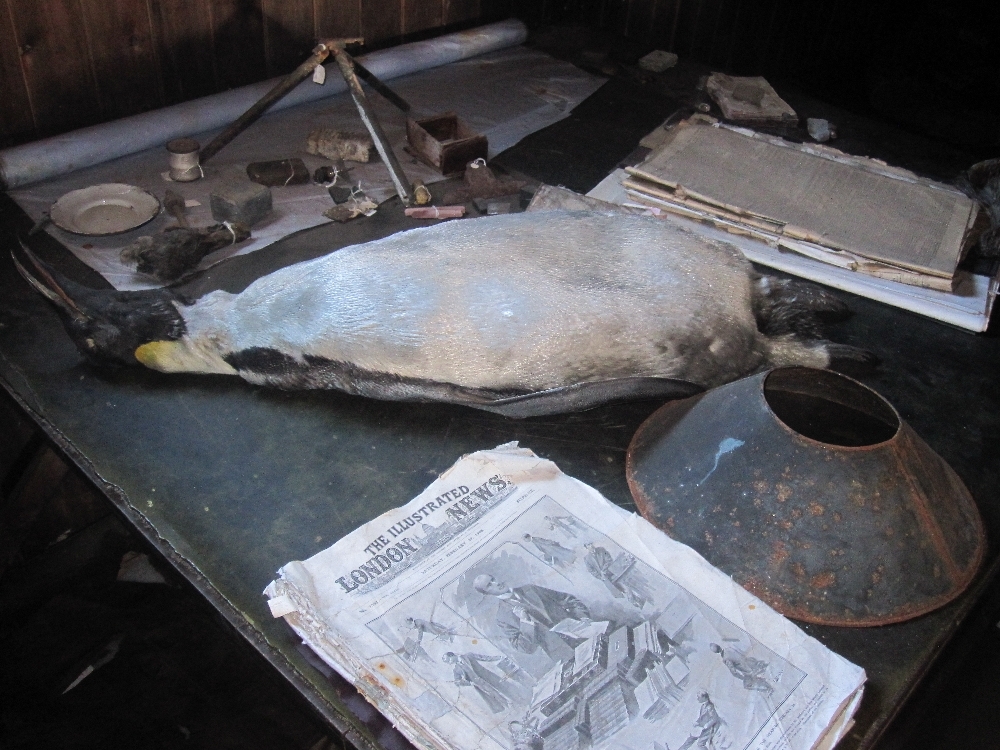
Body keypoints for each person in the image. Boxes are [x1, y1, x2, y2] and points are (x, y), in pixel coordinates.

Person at [473, 574, 590, 655]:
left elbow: (568, 599)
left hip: (584, 633)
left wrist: (583, 617)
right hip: (564, 653)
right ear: (487, 594)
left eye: (493, 579)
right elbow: (525, 648)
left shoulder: (531, 589)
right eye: (489, 585)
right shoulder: (502, 617)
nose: (496, 583)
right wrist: (525, 621)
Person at [443, 651, 512, 714]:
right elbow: (457, 682)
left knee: (504, 688)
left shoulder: (468, 655)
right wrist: (469, 683)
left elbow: (485, 658)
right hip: (479, 684)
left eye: (448, 660)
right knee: (495, 695)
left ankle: (517, 700)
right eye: (447, 662)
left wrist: (499, 657)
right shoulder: (456, 670)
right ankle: (510, 707)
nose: (449, 662)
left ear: (452, 655)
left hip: (487, 676)